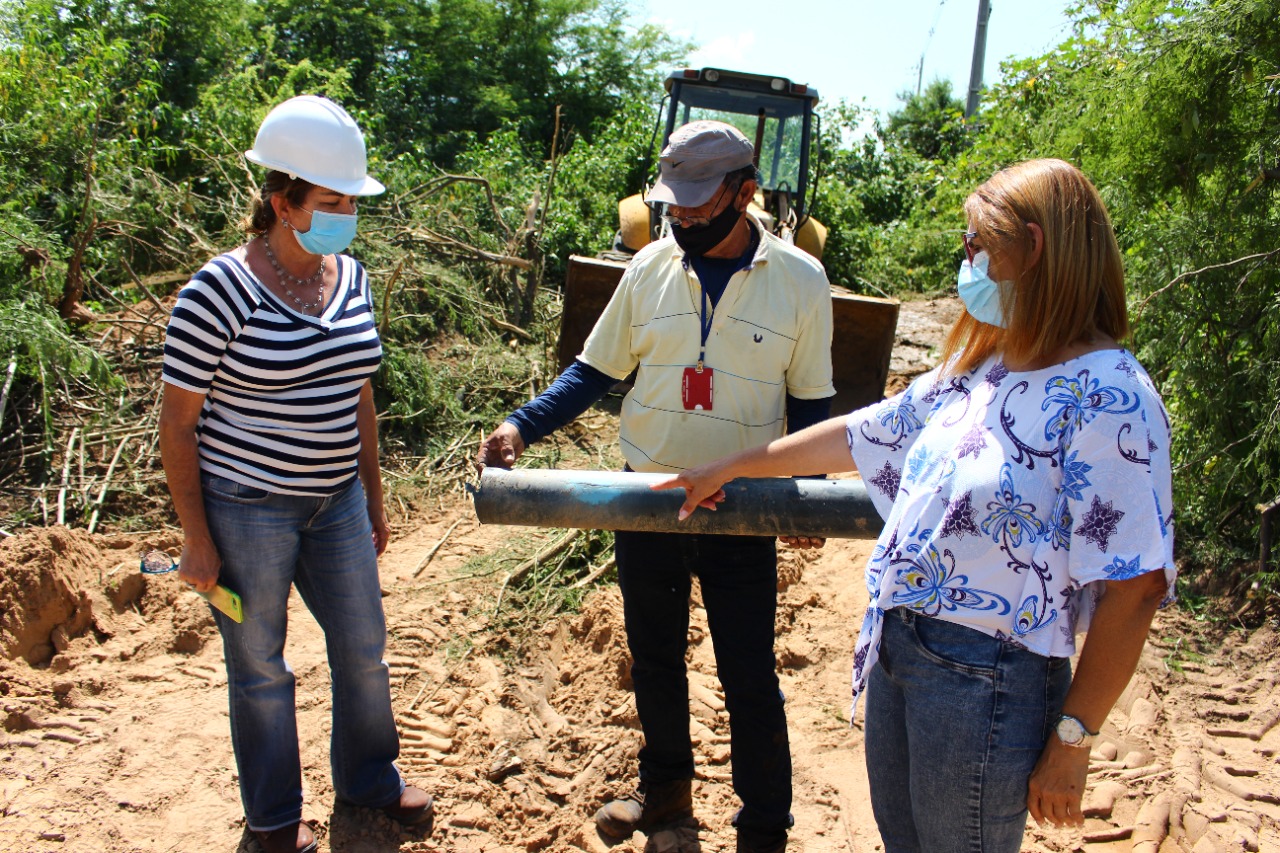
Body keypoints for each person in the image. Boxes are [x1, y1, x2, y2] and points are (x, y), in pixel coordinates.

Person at [656, 158, 1176, 853]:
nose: (966, 263)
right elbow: (866, 430)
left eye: (976, 244)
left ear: (1035, 246)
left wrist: (1073, 738)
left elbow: (1136, 584)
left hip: (988, 679)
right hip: (903, 649)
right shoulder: (987, 369)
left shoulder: (1109, 394)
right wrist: (733, 466)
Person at [477, 120, 835, 853]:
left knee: (747, 671)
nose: (685, 218)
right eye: (676, 203)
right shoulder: (648, 269)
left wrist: (805, 489)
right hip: (650, 497)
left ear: (746, 192)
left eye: (703, 203)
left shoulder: (802, 280)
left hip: (742, 506)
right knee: (655, 655)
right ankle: (666, 786)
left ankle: (765, 824)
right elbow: (595, 370)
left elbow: (811, 403)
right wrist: (522, 426)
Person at [158, 95, 432, 853]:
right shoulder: (218, 292)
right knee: (260, 665)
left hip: (335, 500)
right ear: (284, 202)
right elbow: (178, 424)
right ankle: (274, 818)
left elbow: (360, 394)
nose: (348, 213)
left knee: (363, 647)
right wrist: (195, 538)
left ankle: (370, 779)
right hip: (247, 509)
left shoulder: (351, 280)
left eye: (352, 200)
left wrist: (372, 495)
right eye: (334, 200)